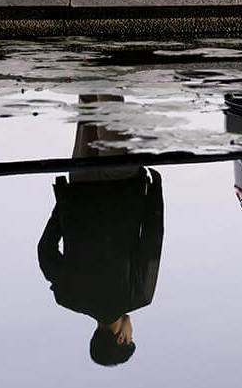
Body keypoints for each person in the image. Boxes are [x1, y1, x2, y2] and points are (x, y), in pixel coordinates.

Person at [37, 95, 165, 367]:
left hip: (122, 187)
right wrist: (64, 206)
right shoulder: (67, 296)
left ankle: (105, 70)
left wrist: (156, 190)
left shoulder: (139, 296)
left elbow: (152, 243)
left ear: (120, 339)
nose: (131, 331)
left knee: (109, 104)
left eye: (130, 337)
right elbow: (45, 250)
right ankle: (86, 70)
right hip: (81, 186)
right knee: (90, 106)